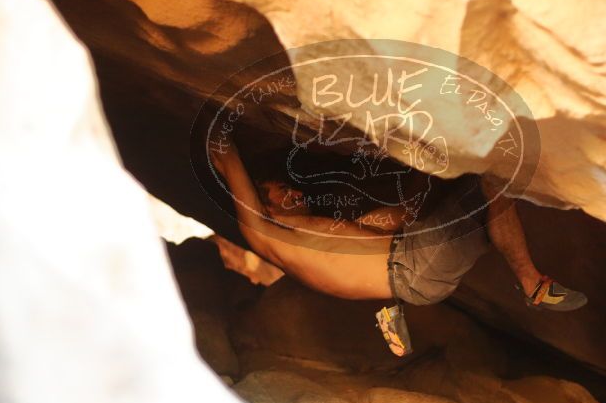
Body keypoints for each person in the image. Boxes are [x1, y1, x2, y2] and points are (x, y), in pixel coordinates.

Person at [210, 144, 586, 355]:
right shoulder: (270, 235)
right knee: (492, 185)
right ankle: (532, 284)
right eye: (284, 193)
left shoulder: (323, 230)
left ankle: (392, 310)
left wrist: (420, 164)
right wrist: (226, 153)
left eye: (293, 188)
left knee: (479, 202)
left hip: (412, 258)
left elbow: (402, 215)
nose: (297, 193)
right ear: (267, 206)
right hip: (414, 267)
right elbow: (244, 194)